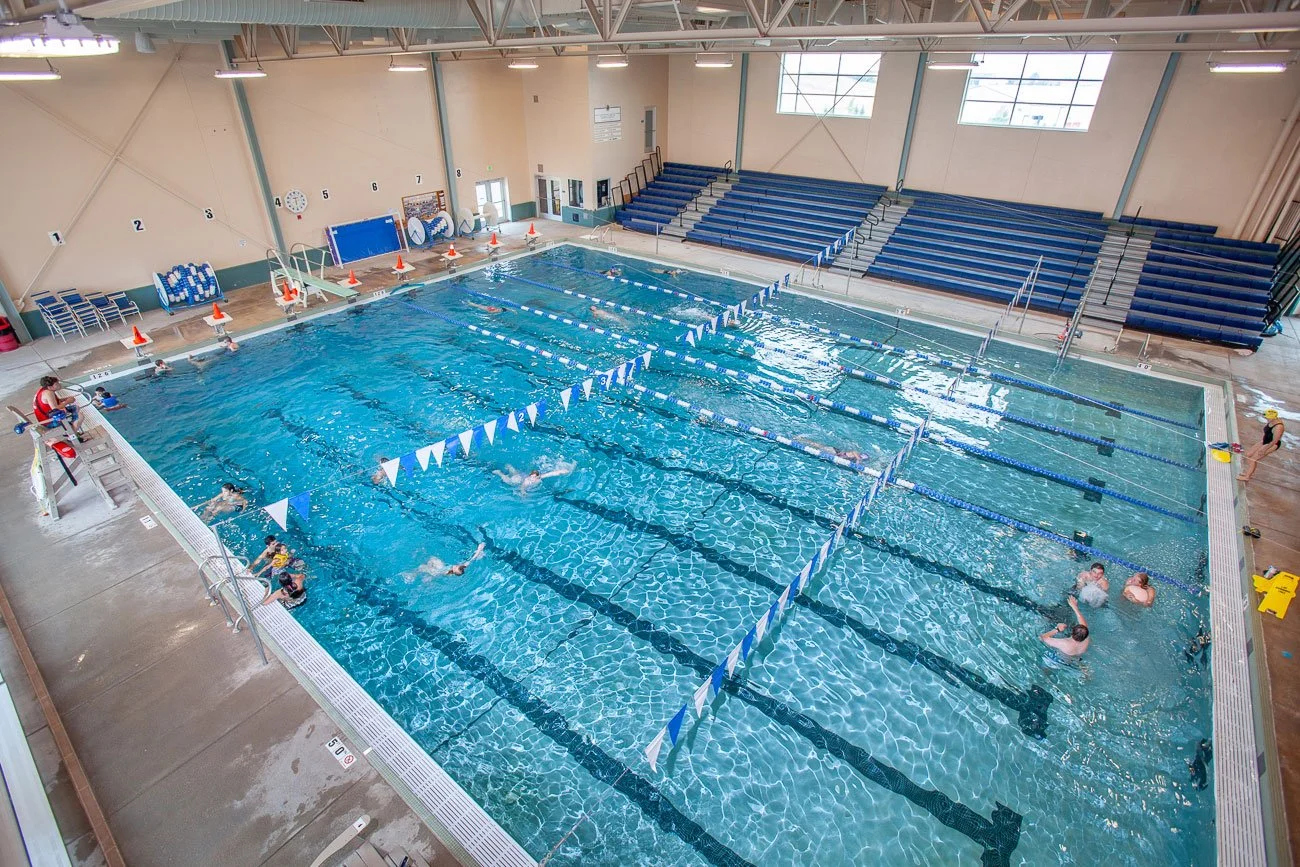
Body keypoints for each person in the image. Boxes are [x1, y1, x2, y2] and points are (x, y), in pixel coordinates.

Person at [1238, 409, 1285, 482]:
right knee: (1248, 454)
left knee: (1253, 459)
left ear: (1273, 417)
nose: (1266, 418)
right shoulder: (1271, 420)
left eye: (1267, 417)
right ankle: (1248, 472)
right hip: (1265, 441)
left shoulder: (1279, 427)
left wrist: (1264, 449)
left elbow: (1274, 441)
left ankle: (1247, 476)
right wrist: (1262, 442)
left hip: (1272, 444)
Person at [1041, 596, 1090, 663]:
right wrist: (1075, 607)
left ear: (1072, 632)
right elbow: (1083, 624)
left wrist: (1057, 629)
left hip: (1061, 659)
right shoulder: (1086, 640)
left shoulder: (1064, 643)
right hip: (1076, 656)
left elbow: (1042, 638)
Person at [411, 542, 487, 579]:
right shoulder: (464, 566)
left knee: (422, 567)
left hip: (437, 572)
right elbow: (472, 559)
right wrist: (479, 549)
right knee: (433, 559)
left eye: (455, 567)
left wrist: (430, 574)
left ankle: (412, 574)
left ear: (453, 571)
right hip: (439, 569)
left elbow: (437, 573)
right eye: (457, 566)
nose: (455, 565)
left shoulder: (447, 572)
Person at [494, 461, 574, 495]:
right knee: (511, 481)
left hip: (522, 475)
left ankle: (510, 467)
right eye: (531, 477)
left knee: (515, 474)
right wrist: (523, 492)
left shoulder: (539, 478)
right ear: (530, 476)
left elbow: (552, 473)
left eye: (534, 477)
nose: (532, 479)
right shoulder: (527, 480)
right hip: (520, 479)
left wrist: (562, 471)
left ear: (537, 477)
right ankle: (500, 473)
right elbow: (523, 486)